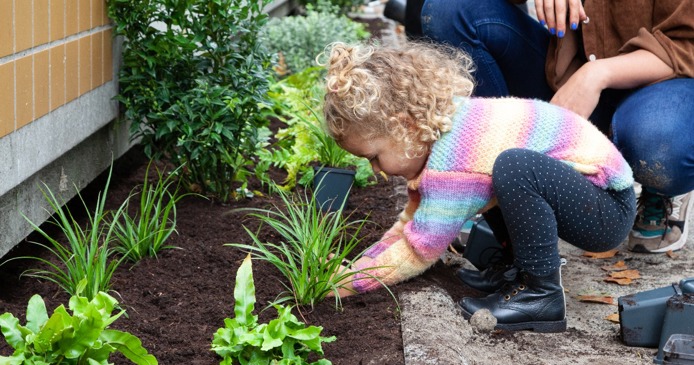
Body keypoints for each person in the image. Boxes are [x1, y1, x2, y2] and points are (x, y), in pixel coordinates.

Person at [320, 41, 636, 333]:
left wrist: (348, 284)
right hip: (588, 196)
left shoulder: (453, 163)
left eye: (375, 157)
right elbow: (409, 224)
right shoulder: (443, 133)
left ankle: (540, 294)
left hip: (606, 209)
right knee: (498, 175)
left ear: (407, 126)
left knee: (513, 168)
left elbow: (418, 248)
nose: (376, 171)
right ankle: (513, 271)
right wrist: (355, 268)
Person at [419, 0, 694, 256]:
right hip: (567, 77)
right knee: (449, 11)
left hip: (665, 85)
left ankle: (663, 189)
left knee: (657, 144)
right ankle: (489, 188)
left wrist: (596, 75)